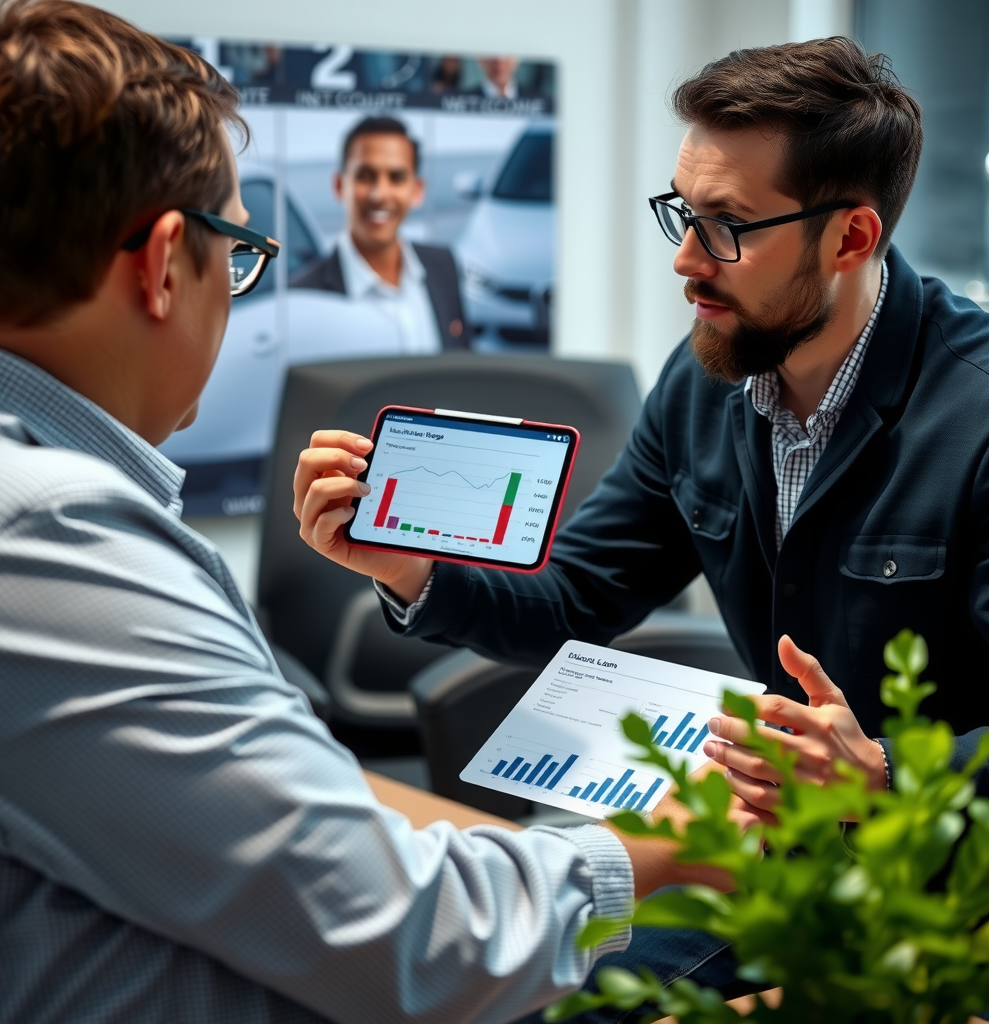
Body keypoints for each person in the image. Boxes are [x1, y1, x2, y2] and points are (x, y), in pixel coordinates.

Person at [0, 3, 752, 1022]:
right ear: (162, 262)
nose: (688, 261)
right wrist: (662, 848)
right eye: (238, 249)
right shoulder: (52, 532)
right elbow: (410, 938)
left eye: (730, 227)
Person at [294, 36, 989, 1022]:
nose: (685, 259)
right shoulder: (706, 379)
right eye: (682, 213)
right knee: (525, 989)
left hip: (969, 908)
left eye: (726, 228)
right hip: (784, 863)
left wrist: (881, 774)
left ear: (850, 238)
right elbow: (574, 597)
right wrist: (413, 569)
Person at [290, 116, 468, 352]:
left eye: (396, 178)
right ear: (340, 186)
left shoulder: (442, 266)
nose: (380, 194)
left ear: (417, 190)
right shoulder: (304, 298)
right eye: (365, 176)